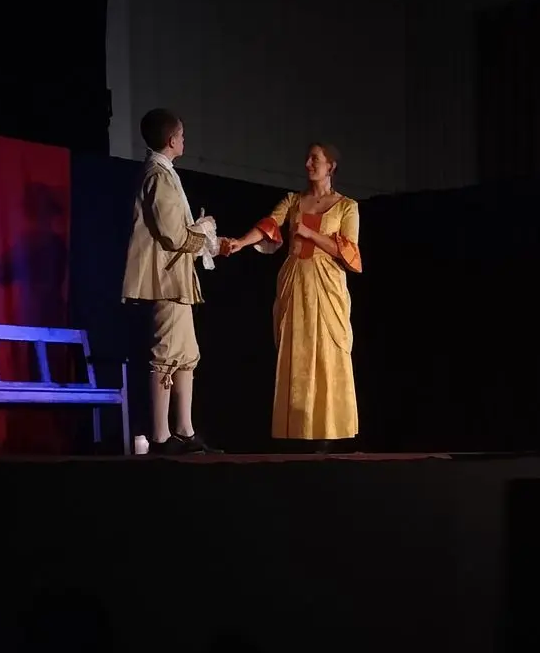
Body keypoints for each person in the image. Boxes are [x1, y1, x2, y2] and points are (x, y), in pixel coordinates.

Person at [222, 144, 362, 444]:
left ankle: (328, 431)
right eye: (308, 158)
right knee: (297, 352)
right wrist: (241, 242)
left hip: (326, 284)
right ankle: (298, 429)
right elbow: (270, 224)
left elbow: (348, 250)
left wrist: (311, 234)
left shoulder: (347, 206)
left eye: (315, 159)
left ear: (331, 166)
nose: (308, 163)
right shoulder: (294, 200)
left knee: (327, 351)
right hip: (296, 280)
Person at [120, 107, 220, 455]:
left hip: (177, 277)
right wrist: (202, 233)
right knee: (165, 354)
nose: (183, 140)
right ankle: (162, 437)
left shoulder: (165, 173)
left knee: (186, 353)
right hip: (166, 277)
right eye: (181, 135)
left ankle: (184, 430)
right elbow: (173, 234)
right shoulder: (158, 176)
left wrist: (204, 237)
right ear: (171, 139)